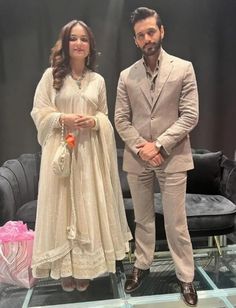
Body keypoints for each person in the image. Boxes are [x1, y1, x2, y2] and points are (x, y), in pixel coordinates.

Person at [31, 20, 132, 292]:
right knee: (61, 207)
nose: (78, 43)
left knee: (87, 207)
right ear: (65, 44)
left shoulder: (97, 81)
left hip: (88, 154)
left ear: (90, 47)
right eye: (73, 39)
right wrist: (62, 117)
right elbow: (39, 112)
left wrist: (96, 122)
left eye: (84, 39)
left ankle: (85, 267)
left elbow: (104, 116)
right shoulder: (50, 76)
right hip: (61, 153)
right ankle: (65, 268)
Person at [115, 7, 199, 307]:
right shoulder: (126, 76)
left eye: (151, 31)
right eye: (141, 35)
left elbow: (190, 115)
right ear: (136, 40)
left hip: (173, 157)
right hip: (138, 159)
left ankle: (186, 277)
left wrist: (159, 145)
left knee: (176, 223)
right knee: (143, 219)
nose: (147, 38)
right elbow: (121, 119)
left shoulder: (183, 68)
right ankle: (142, 264)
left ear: (161, 31)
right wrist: (142, 147)